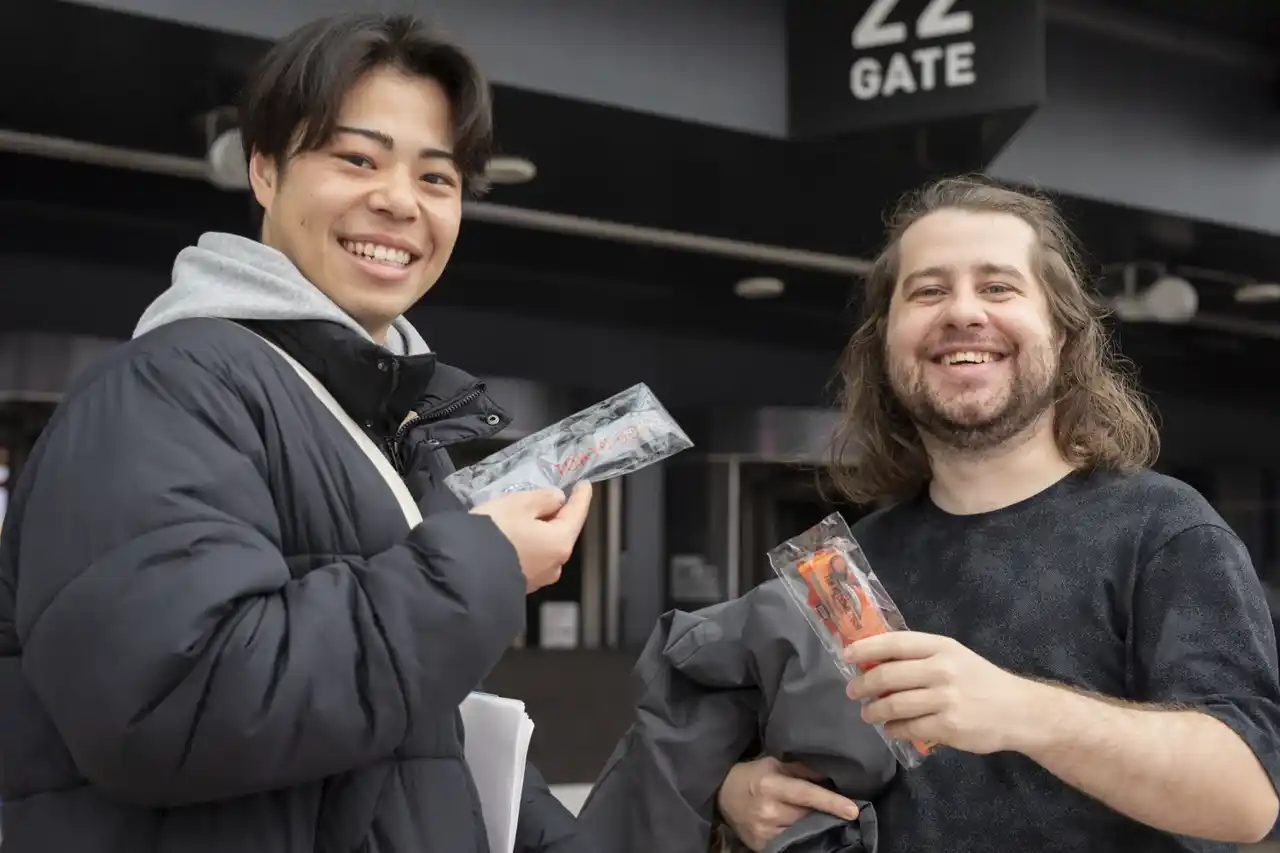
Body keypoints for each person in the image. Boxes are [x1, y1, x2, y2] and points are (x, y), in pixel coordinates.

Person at [0, 13, 592, 853]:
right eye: (357, 159)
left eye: (437, 176)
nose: (400, 201)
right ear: (265, 169)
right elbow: (174, 703)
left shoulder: (386, 421)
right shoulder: (164, 388)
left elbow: (420, 746)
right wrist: (480, 568)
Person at [713, 176, 1280, 852]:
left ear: (1063, 335)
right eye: (928, 291)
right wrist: (741, 794)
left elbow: (1247, 797)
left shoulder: (1164, 532)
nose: (963, 312)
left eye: (998, 287)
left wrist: (1020, 710)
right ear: (886, 343)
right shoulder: (852, 564)